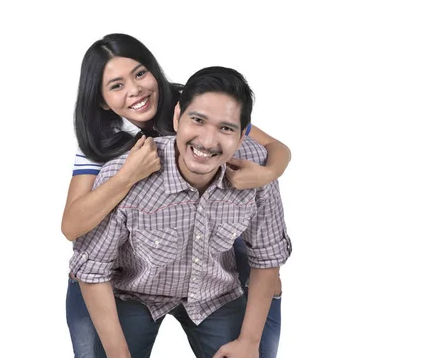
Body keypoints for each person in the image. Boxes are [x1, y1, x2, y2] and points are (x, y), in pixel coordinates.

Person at [63, 34, 291, 357]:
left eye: (140, 73)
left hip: (214, 243)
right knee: (89, 265)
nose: (135, 90)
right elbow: (72, 227)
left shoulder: (200, 101)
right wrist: (128, 175)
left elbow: (276, 148)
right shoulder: (101, 144)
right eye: (116, 86)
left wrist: (265, 175)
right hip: (134, 265)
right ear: (101, 100)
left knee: (266, 267)